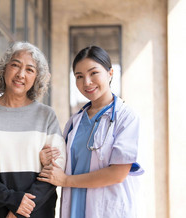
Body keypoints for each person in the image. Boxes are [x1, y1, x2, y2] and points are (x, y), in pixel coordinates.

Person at [37, 45, 144, 218]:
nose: (87, 82)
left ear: (110, 73)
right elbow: (64, 163)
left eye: (93, 73)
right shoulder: (74, 122)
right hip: (74, 208)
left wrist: (65, 181)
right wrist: (46, 159)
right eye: (79, 76)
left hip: (107, 210)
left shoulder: (126, 117)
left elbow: (117, 174)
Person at [0, 42, 66, 218]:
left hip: (37, 213)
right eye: (15, 65)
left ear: (36, 78)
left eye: (29, 70)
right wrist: (12, 201)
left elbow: (56, 167)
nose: (20, 74)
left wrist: (21, 210)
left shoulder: (46, 116)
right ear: (4, 69)